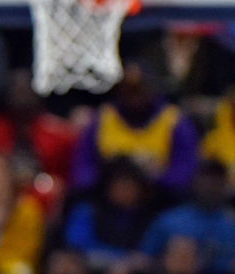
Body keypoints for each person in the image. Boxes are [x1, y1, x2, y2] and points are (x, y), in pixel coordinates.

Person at [71, 61, 200, 195]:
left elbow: (184, 177)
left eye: (139, 89)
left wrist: (146, 177)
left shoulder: (176, 122)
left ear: (153, 88)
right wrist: (111, 176)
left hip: (159, 201)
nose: (134, 97)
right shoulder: (101, 120)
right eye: (129, 90)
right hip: (106, 200)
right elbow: (82, 174)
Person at [140, 160, 235, 274]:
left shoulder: (230, 224)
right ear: (195, 182)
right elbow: (144, 259)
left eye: (217, 181)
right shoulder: (170, 220)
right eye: (207, 181)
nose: (211, 188)